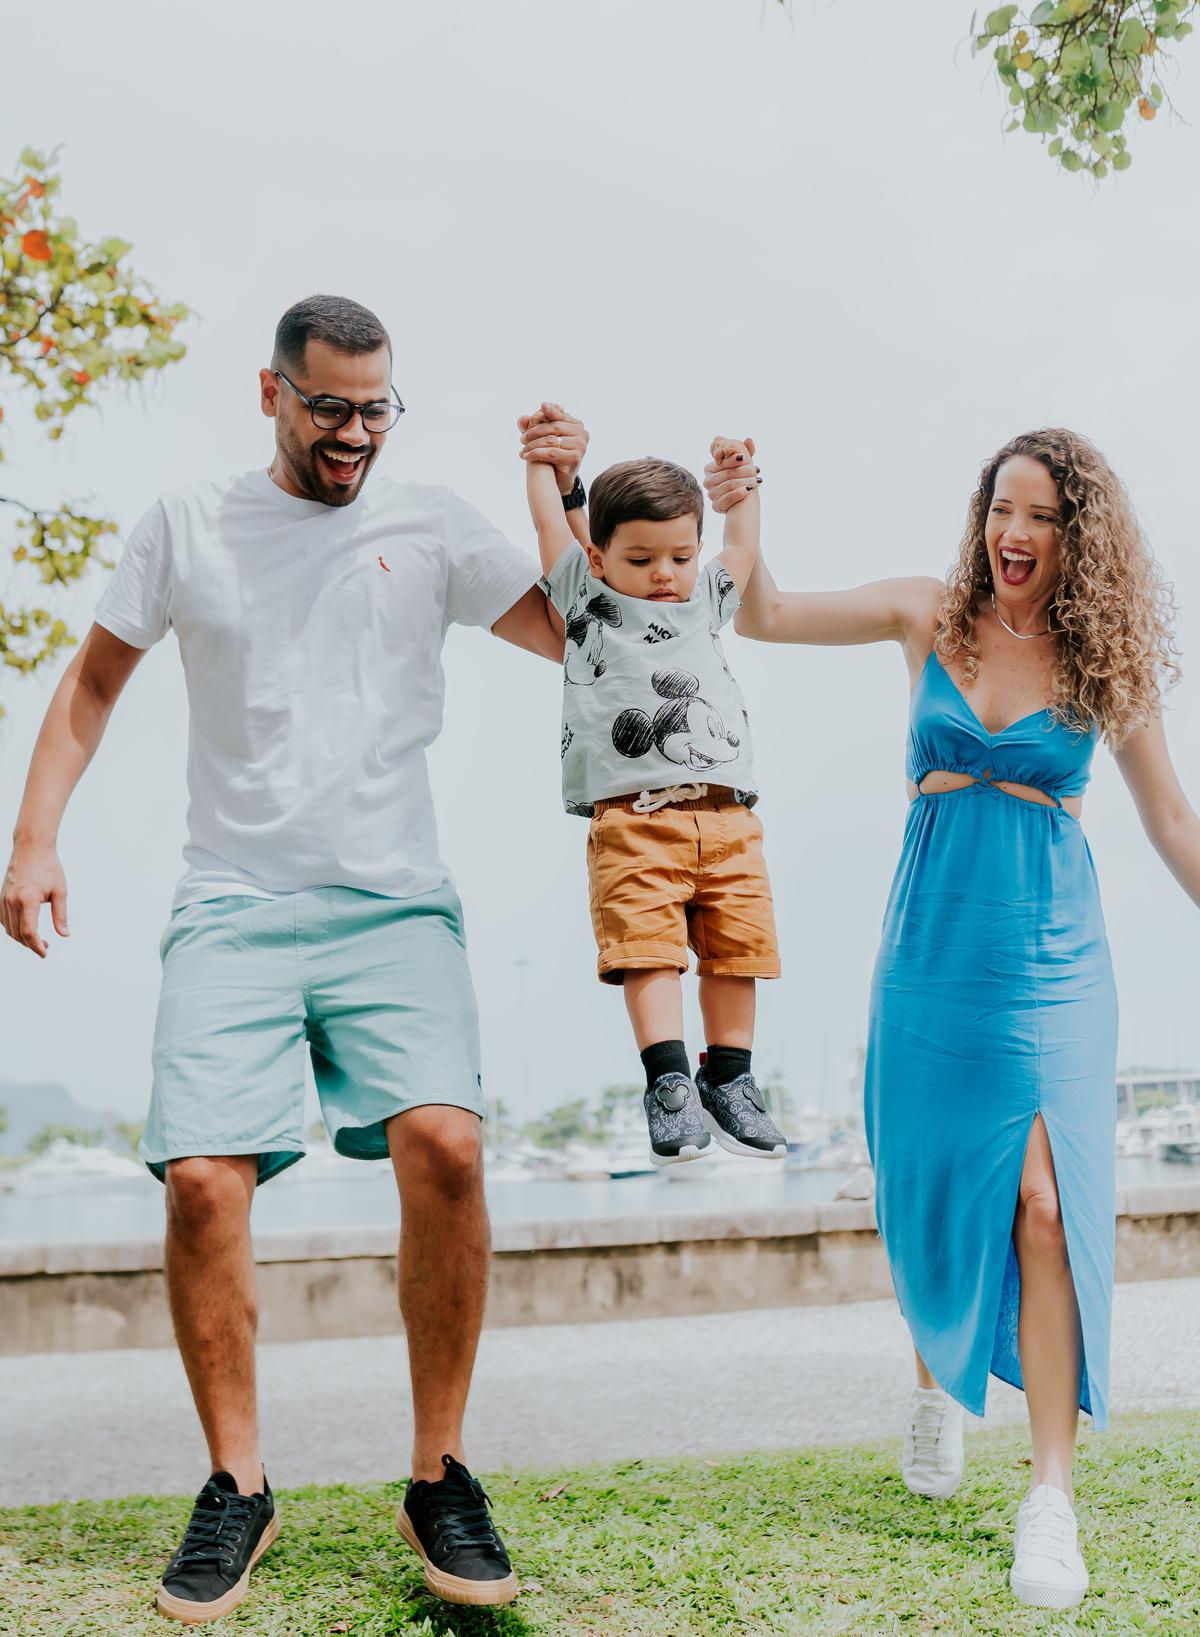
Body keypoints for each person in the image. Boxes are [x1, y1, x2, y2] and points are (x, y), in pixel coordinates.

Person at [0, 295, 587, 1623]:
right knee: (203, 1179)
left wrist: (561, 488)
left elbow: (576, 633)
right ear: (269, 393)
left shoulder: (430, 521)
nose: (355, 433)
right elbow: (90, 686)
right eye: (330, 407)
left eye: (377, 408)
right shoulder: (186, 525)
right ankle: (238, 1485)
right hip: (234, 901)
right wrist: (35, 837)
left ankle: (439, 1474)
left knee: (447, 1143)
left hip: (395, 905)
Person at [704, 427, 1200, 1611]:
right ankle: (933, 1382)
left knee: (1043, 1202)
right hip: (930, 948)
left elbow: (1175, 824)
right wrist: (743, 511)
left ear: (1082, 536)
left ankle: (1050, 1497)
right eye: (1001, 510)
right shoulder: (931, 616)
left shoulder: (1101, 666)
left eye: (1041, 516)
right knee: (927, 1181)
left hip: (1052, 959)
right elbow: (764, 613)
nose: (1013, 535)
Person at [524, 441, 788, 1166]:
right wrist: (540, 465)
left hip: (729, 817)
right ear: (601, 557)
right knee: (647, 951)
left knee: (740, 948)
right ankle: (670, 1083)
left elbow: (743, 542)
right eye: (641, 559)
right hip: (634, 820)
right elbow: (551, 520)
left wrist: (742, 485)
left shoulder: (707, 596)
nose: (664, 573)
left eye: (678, 555)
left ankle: (731, 1079)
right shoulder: (586, 597)